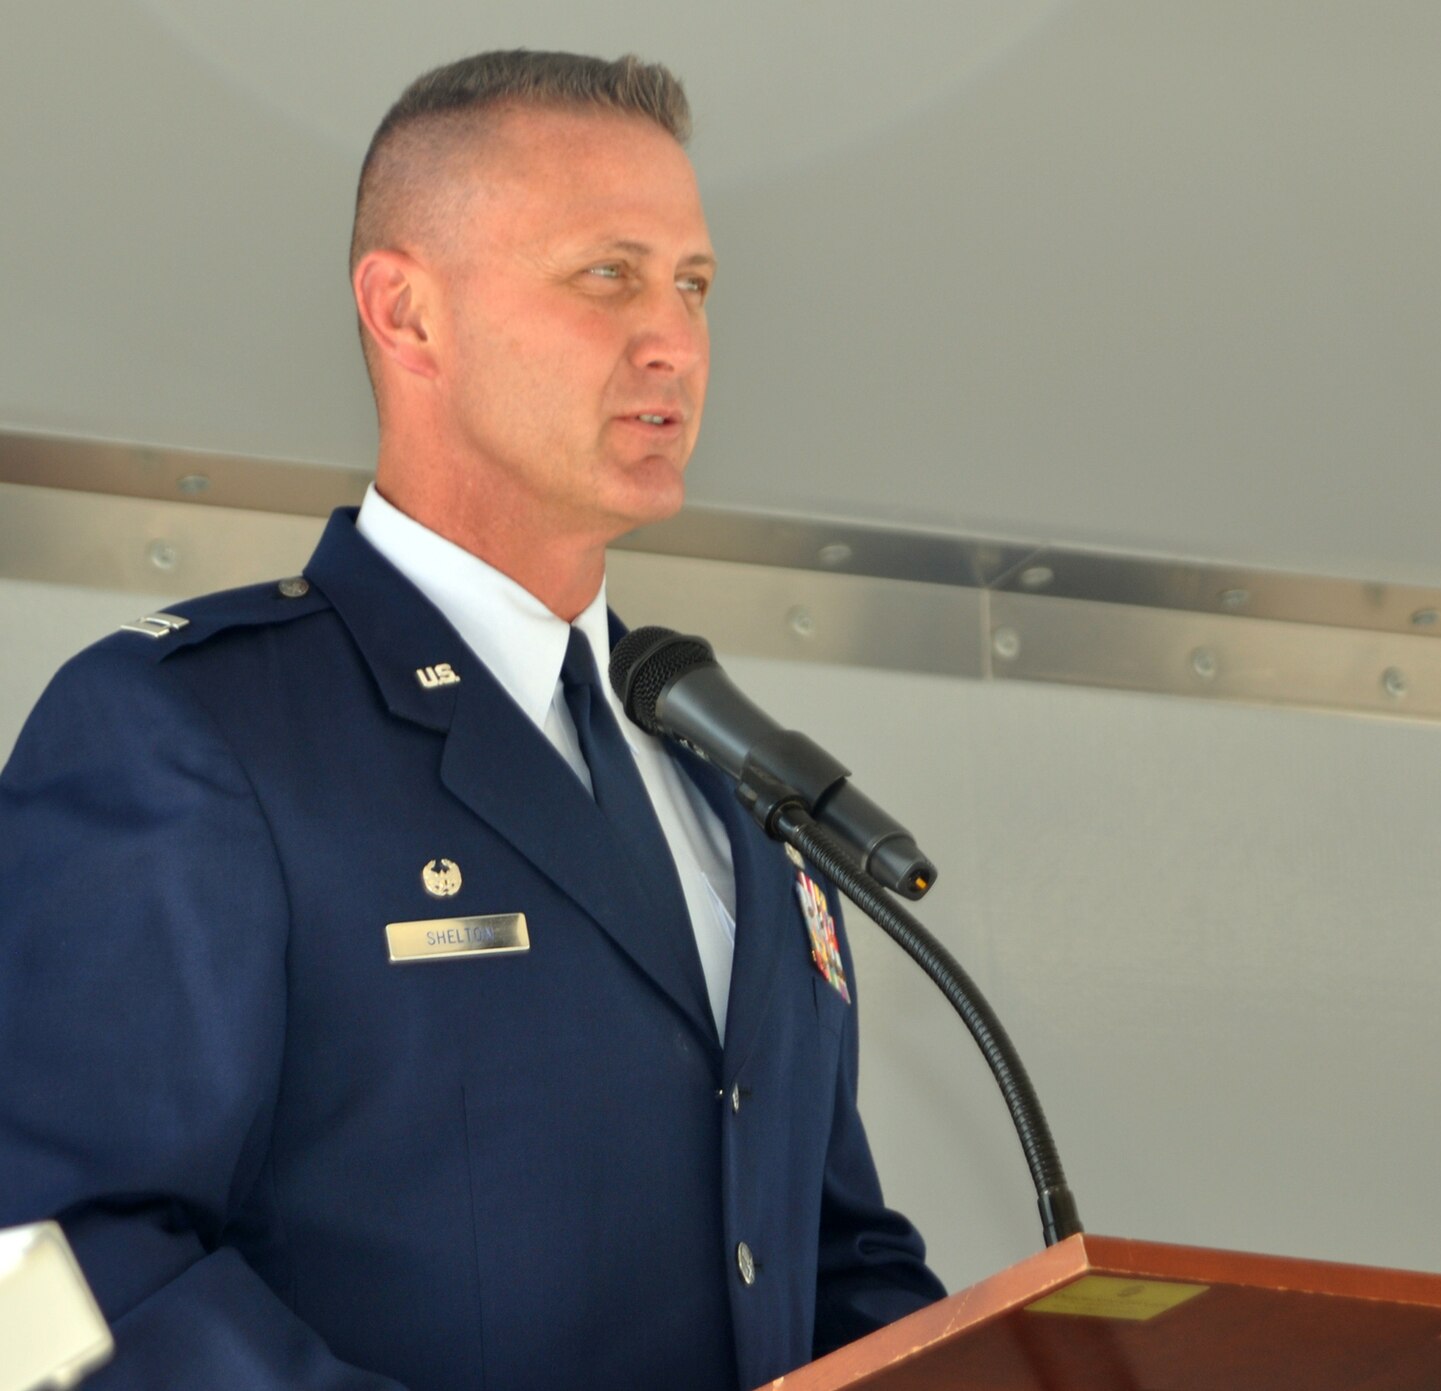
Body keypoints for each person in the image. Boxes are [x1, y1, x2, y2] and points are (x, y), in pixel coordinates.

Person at [0, 49, 943, 1391]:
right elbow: (57, 1254)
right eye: (607, 275)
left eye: (695, 285)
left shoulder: (736, 784)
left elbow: (826, 1265)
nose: (673, 335)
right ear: (407, 313)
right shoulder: (191, 734)